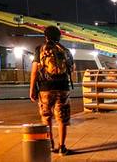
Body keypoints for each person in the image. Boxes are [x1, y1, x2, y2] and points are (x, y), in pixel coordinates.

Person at [29, 26, 74, 155]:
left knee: (46, 117)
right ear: (59, 37)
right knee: (62, 119)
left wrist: (32, 89)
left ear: (46, 36)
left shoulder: (40, 49)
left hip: (45, 88)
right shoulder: (65, 50)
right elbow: (72, 69)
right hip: (63, 87)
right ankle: (62, 148)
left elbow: (34, 71)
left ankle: (50, 144)